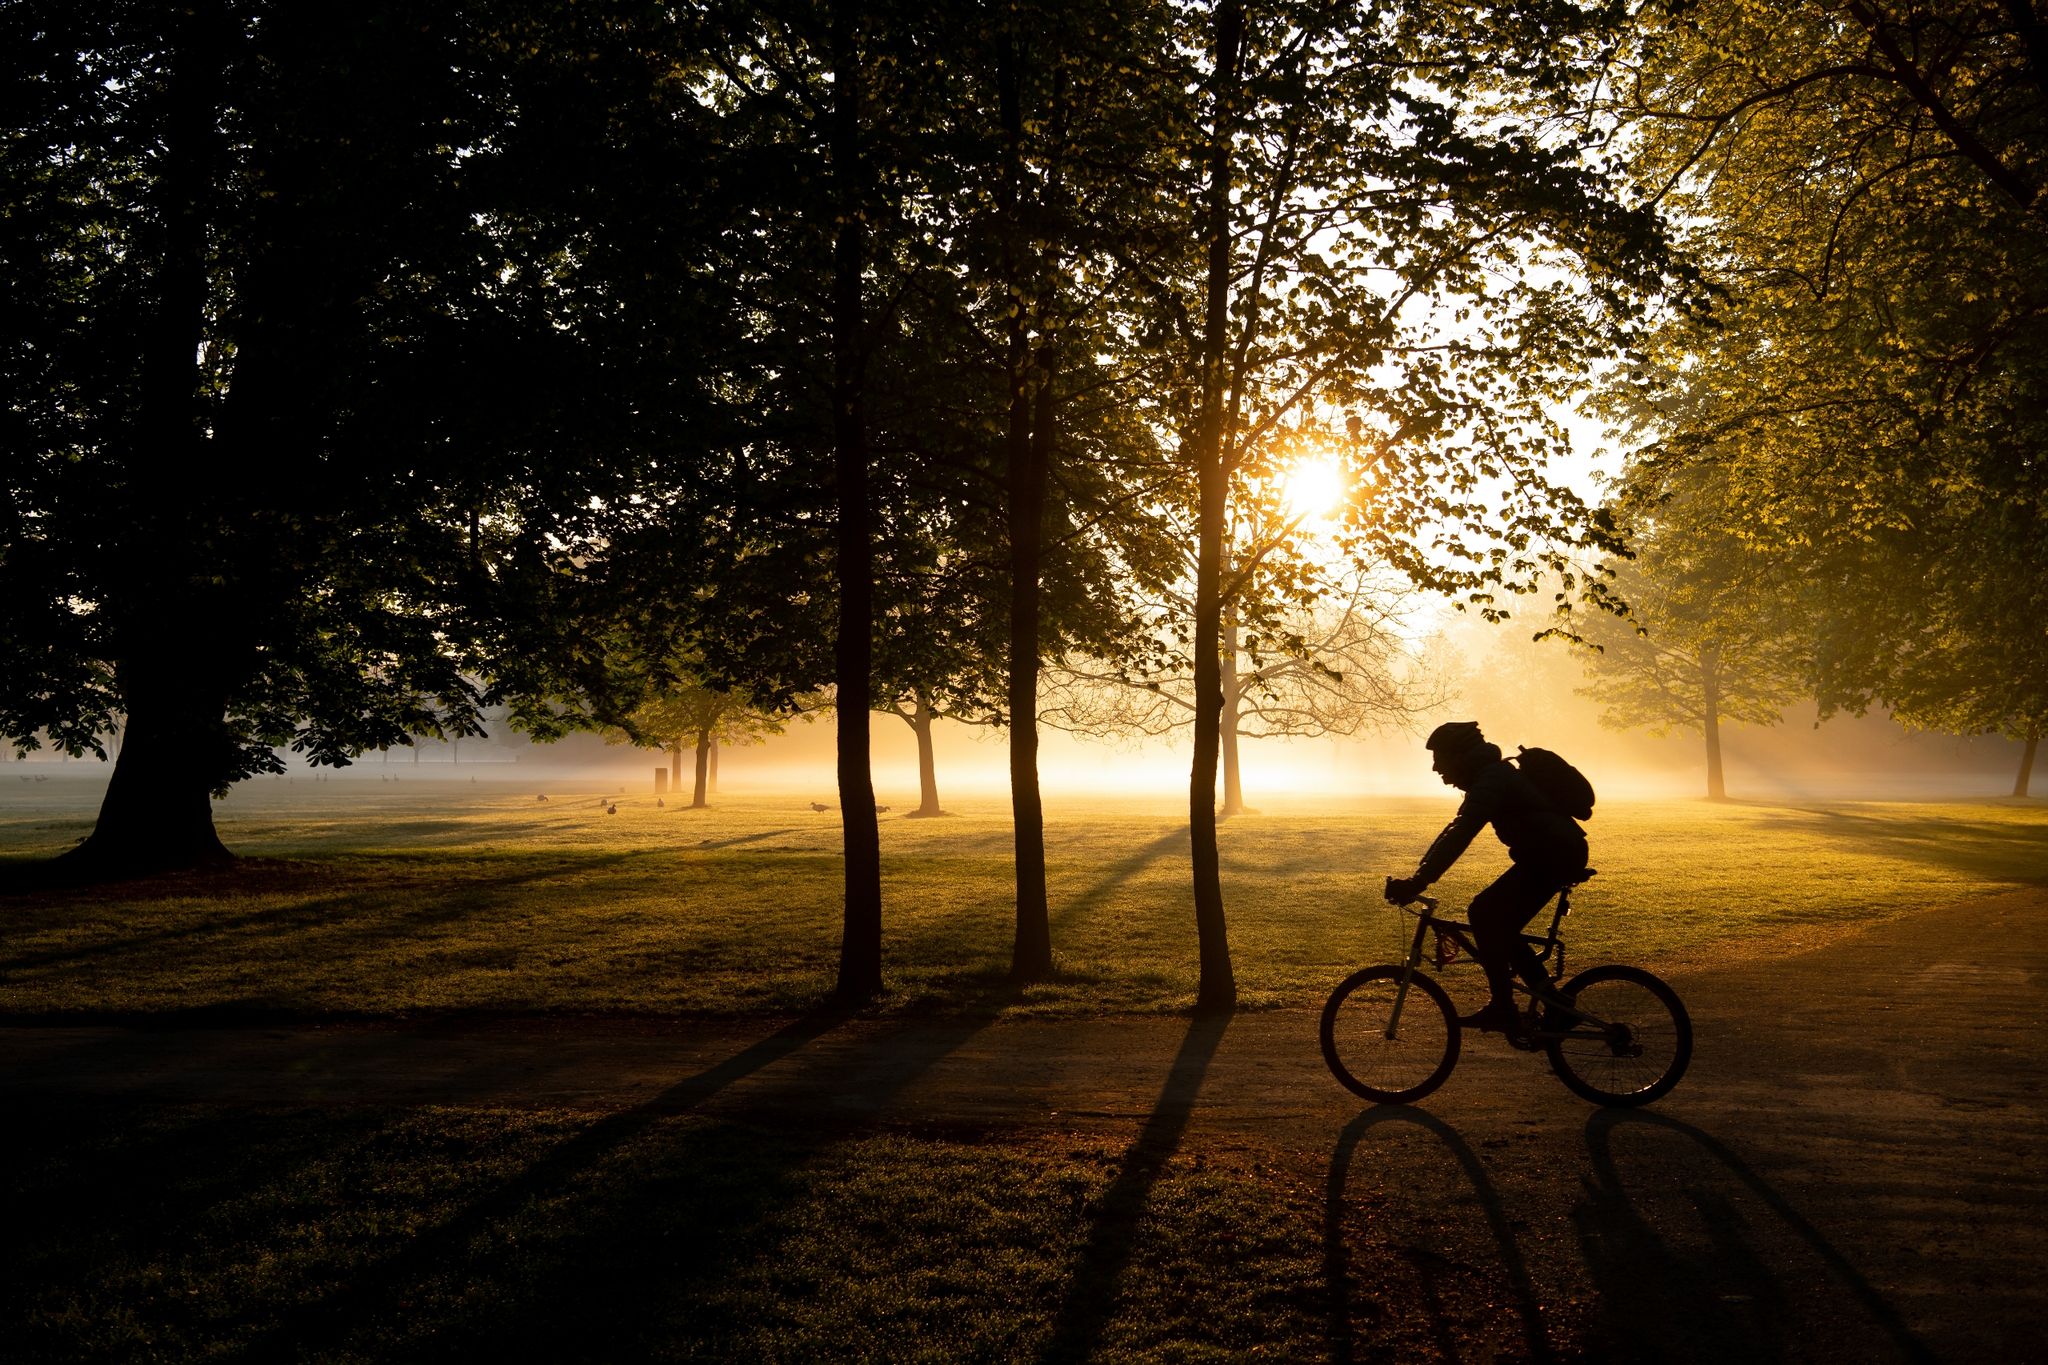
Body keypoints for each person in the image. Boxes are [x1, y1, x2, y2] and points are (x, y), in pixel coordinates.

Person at [1384, 720, 1588, 1034]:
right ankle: (1544, 1002)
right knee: (1495, 920)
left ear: (1459, 755)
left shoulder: (1493, 778)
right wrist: (1418, 877)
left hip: (1555, 856)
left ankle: (1507, 1008)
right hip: (1551, 855)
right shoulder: (1490, 777)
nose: (1436, 767)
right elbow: (1453, 829)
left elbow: (1462, 833)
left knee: (1486, 914)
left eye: (1439, 757)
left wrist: (1419, 882)